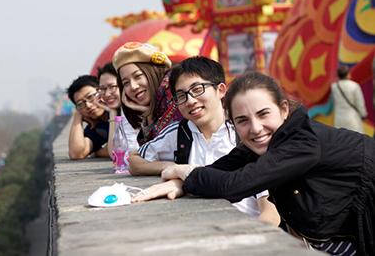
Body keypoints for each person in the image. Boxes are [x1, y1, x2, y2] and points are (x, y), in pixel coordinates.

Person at [134, 71, 374, 255]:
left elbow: (235, 184)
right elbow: (221, 168)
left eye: (263, 114)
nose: (256, 128)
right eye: (242, 120)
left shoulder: (302, 141)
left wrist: (184, 171)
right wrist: (181, 183)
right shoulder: (265, 144)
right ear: (233, 124)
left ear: (283, 110)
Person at [130, 56, 280, 226]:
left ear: (221, 90)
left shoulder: (246, 134)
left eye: (198, 89)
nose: (191, 101)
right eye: (181, 95)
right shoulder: (179, 133)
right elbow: (134, 159)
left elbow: (271, 213)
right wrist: (172, 168)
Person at [112, 41, 183, 145]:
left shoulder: (172, 86)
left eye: (138, 76)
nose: (133, 86)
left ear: (153, 72)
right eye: (126, 83)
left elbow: (163, 146)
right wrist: (148, 114)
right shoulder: (157, 104)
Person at [96, 62, 139, 153]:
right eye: (103, 89)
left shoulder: (137, 110)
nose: (107, 94)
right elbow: (115, 153)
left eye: (112, 87)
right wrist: (112, 113)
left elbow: (128, 152)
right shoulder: (123, 110)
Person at [66, 75, 109, 160]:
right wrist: (77, 116)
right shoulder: (96, 129)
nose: (88, 105)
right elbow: (76, 153)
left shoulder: (123, 112)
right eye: (81, 104)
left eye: (90, 97)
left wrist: (98, 152)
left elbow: (124, 147)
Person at [331, 65, 367, 133]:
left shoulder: (334, 87)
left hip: (339, 118)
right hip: (352, 118)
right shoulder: (354, 86)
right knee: (355, 139)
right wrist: (363, 115)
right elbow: (360, 103)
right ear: (348, 74)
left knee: (341, 139)